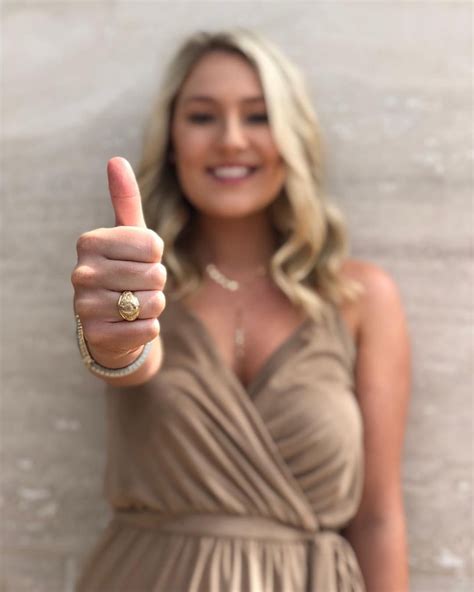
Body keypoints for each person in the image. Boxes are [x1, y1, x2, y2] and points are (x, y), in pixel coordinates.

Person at [72, 29, 411, 592]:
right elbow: (131, 357)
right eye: (203, 117)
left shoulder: (360, 299)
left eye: (257, 116)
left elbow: (378, 518)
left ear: (293, 136)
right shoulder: (145, 284)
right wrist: (112, 338)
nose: (231, 140)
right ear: (174, 139)